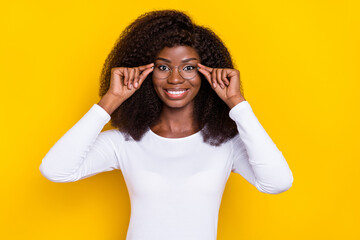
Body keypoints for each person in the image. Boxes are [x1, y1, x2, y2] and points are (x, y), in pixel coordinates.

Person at [39, 9, 293, 240]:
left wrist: (237, 103)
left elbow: (277, 182)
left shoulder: (225, 143)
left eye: (189, 68)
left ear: (208, 72)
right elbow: (56, 170)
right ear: (146, 71)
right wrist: (111, 99)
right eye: (163, 67)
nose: (175, 79)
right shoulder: (125, 142)